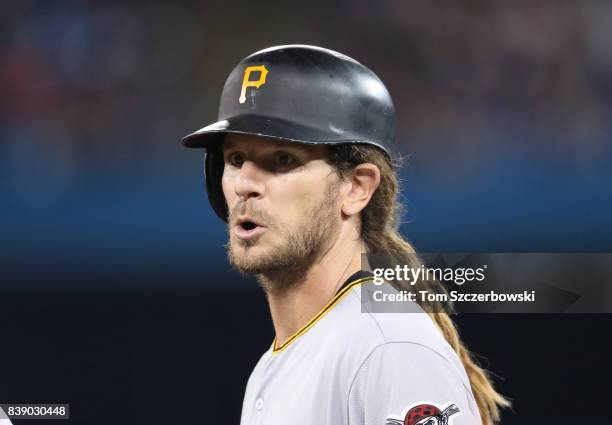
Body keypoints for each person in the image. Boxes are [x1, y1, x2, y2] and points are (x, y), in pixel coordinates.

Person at [182, 45, 509, 425]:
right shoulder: (278, 364)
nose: (246, 184)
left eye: (283, 160)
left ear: (356, 187)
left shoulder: (388, 348)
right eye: (236, 159)